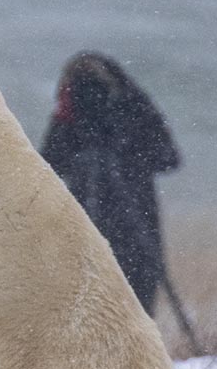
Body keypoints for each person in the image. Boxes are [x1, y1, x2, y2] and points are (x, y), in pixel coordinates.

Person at [39, 52, 180, 314]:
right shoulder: (133, 107)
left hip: (127, 219)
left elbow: (169, 157)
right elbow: (50, 162)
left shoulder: (132, 108)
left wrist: (118, 151)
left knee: (128, 301)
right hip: (127, 219)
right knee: (123, 303)